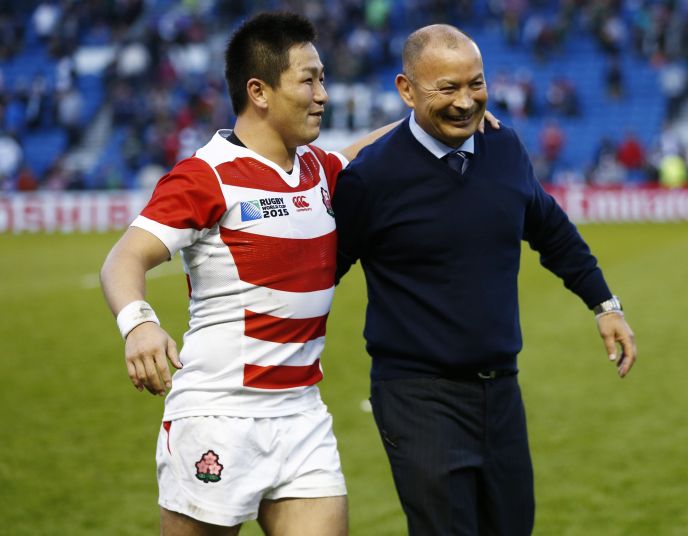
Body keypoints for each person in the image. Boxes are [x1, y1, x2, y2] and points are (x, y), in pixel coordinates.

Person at [332, 24, 637, 535]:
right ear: (406, 90)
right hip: (417, 396)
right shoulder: (371, 177)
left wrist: (604, 305)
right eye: (447, 88)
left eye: (475, 84)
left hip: (500, 393)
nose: (465, 101)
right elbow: (322, 273)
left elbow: (552, 231)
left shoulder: (504, 148)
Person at [100, 11, 397, 535]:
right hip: (218, 415)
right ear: (258, 91)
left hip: (302, 414)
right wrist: (139, 323)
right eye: (308, 80)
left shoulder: (317, 169)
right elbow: (124, 258)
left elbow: (363, 153)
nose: (323, 94)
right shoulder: (206, 176)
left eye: (323, 79)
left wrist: (430, 117)